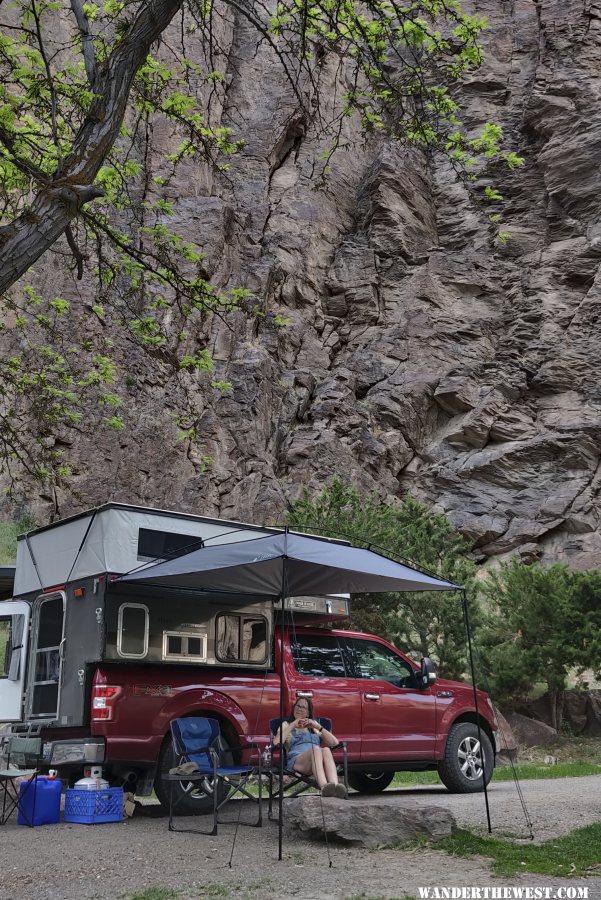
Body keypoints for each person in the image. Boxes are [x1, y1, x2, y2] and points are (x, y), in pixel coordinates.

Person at [273, 697, 347, 798]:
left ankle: (335, 787)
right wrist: (293, 725)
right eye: (297, 706)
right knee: (316, 749)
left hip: (316, 761)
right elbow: (276, 742)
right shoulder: (286, 725)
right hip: (297, 761)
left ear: (308, 713)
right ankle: (324, 786)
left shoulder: (313, 727)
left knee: (325, 749)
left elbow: (334, 743)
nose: (299, 709)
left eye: (303, 707)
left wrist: (317, 726)